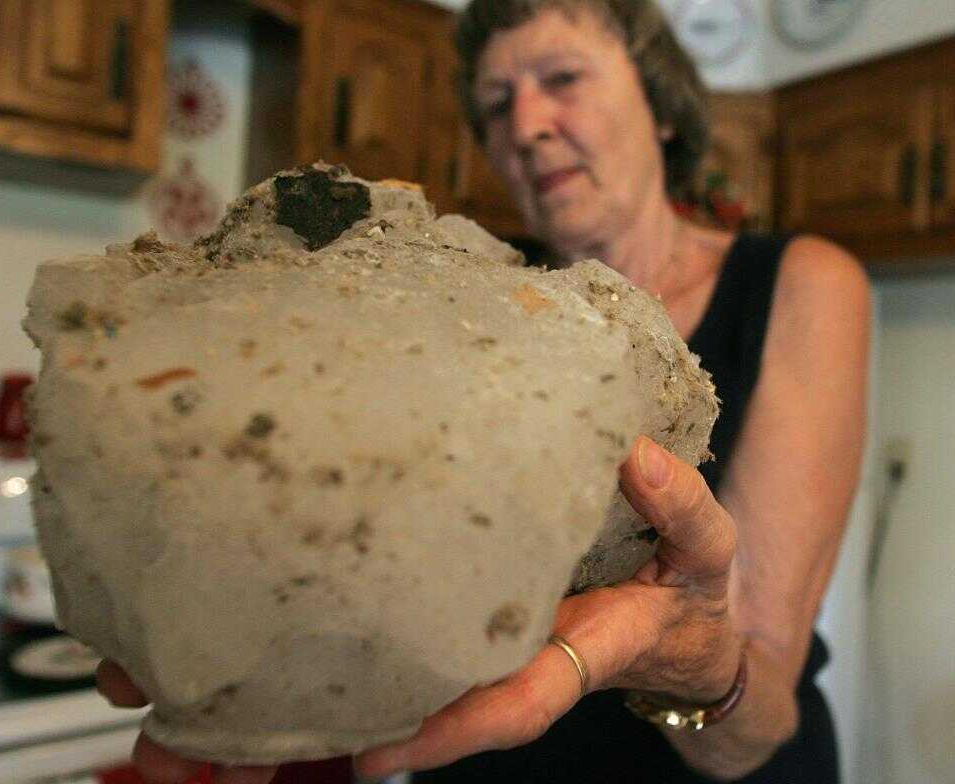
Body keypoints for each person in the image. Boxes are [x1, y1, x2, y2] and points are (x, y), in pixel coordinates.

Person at [96, 1, 871, 781]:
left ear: (661, 107)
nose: (525, 126)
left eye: (562, 78)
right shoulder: (475, 292)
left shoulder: (801, 285)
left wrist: (697, 661)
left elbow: (762, 709)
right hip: (483, 753)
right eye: (497, 106)